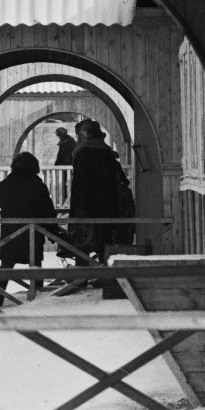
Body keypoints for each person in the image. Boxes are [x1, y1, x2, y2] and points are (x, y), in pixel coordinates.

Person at [0, 152, 64, 307]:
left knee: (6, 266)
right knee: (35, 266)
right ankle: (37, 298)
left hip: (11, 234)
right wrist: (53, 233)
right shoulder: (37, 185)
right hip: (33, 233)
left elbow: (1, 202)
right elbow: (47, 210)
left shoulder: (5, 185)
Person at [60, 119, 123, 292]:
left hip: (86, 208)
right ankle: (105, 277)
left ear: (83, 135)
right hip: (108, 207)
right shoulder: (108, 153)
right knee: (104, 244)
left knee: (82, 242)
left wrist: (79, 208)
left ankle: (81, 278)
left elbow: (80, 184)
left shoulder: (83, 154)